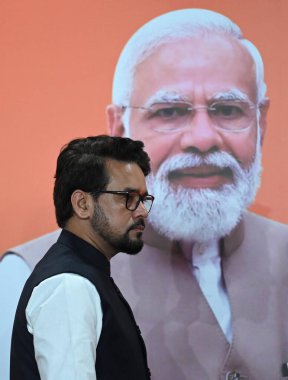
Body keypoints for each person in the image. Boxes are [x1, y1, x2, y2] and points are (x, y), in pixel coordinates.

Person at [3, 8, 288, 379]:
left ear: (261, 122)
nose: (202, 139)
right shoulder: (50, 279)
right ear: (119, 123)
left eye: (228, 109)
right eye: (169, 111)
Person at [10, 135, 153, 380]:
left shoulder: (86, 274)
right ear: (82, 204)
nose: (141, 211)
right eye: (127, 198)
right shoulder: (68, 284)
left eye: (142, 199)